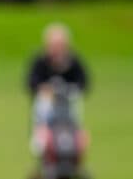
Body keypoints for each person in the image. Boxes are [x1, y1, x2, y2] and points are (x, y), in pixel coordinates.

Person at [25, 23, 91, 156]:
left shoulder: (73, 61)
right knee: (42, 108)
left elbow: (83, 81)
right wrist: (42, 88)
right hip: (47, 101)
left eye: (60, 44)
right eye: (54, 44)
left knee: (74, 112)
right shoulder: (40, 61)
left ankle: (74, 144)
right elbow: (31, 81)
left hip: (68, 99)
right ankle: (41, 142)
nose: (57, 48)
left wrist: (74, 89)